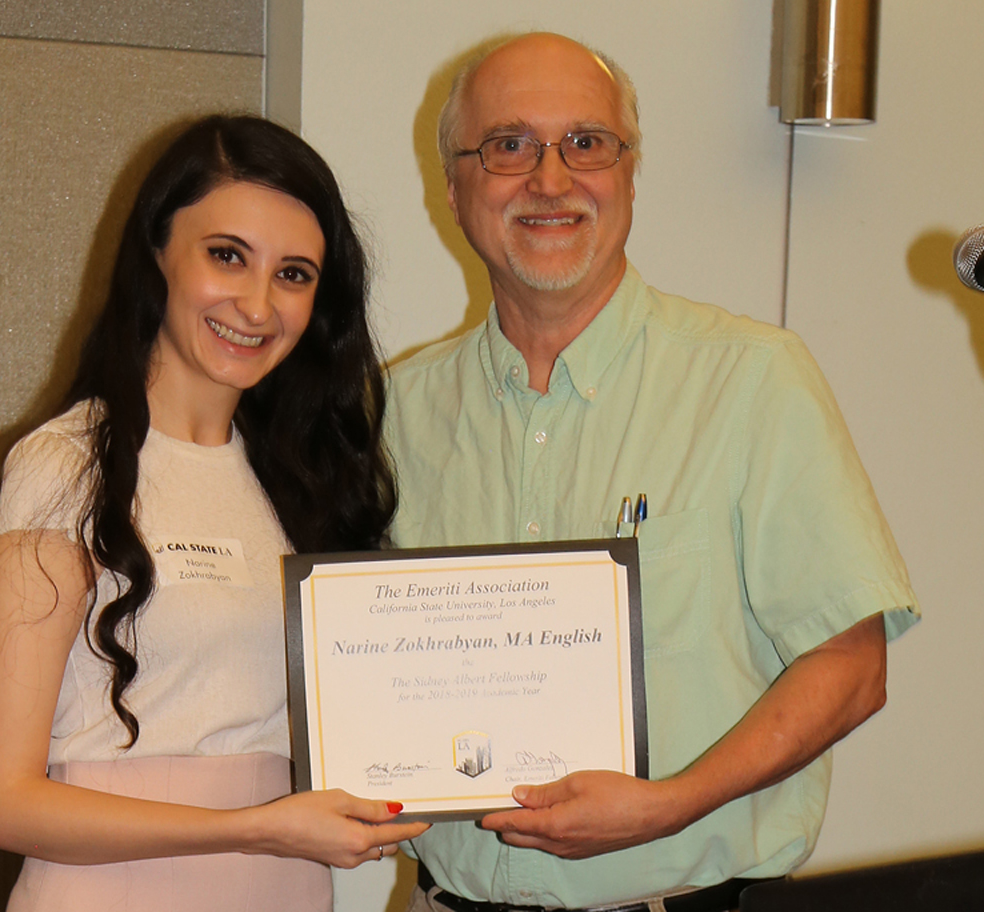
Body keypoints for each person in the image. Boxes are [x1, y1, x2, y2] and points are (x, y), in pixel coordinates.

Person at [386, 33, 920, 912]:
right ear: (453, 187)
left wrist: (671, 806)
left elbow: (852, 666)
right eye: (509, 145)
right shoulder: (395, 412)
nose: (550, 180)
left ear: (630, 174)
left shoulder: (753, 380)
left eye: (587, 144)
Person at [0, 114, 428, 912]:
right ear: (156, 252)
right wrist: (257, 826)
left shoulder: (310, 480)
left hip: (284, 888)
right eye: (226, 256)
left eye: (294, 274)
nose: (256, 304)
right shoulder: (67, 464)